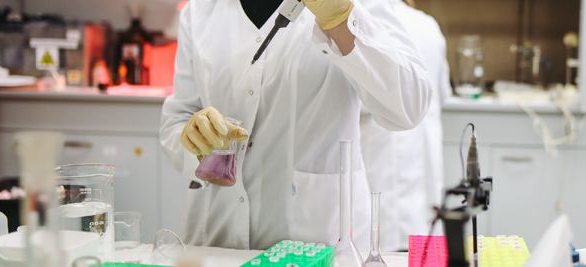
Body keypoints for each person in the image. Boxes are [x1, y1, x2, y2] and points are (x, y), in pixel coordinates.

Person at [159, 0, 433, 251]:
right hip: (217, 240)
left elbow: (409, 107)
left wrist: (342, 19)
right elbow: (177, 118)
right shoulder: (200, 9)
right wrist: (193, 139)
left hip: (318, 242)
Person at [360, 0, 451, 251]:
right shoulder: (428, 25)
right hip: (423, 168)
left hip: (379, 160)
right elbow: (441, 93)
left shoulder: (362, 19)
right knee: (422, 250)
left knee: (381, 249)